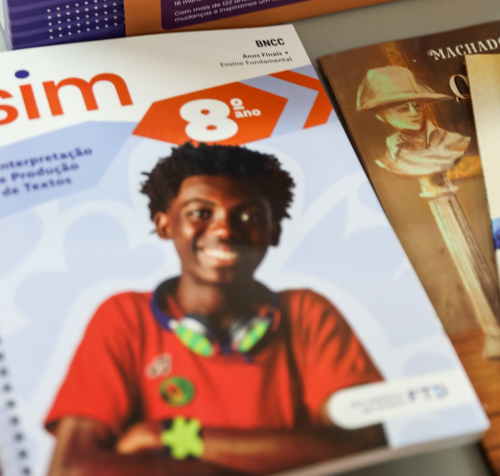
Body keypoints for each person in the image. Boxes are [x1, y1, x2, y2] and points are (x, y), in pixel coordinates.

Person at [45, 142, 386, 476]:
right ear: (165, 225)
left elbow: (364, 447)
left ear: (274, 230)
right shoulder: (124, 317)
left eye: (250, 215)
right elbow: (73, 468)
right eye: (200, 213)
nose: (224, 230)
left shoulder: (307, 313)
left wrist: (170, 436)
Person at [356, 65, 469, 177]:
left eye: (417, 106)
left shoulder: (455, 142)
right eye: (403, 109)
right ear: (382, 117)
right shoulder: (388, 157)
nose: (414, 113)